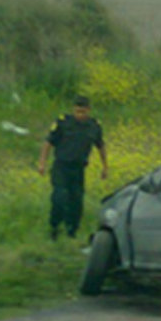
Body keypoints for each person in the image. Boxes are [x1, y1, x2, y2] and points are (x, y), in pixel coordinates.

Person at [37, 95, 108, 240]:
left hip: (79, 169)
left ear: (88, 110)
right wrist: (42, 163)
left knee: (76, 201)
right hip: (61, 167)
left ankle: (71, 231)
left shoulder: (94, 126)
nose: (80, 115)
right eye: (77, 111)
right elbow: (48, 143)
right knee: (59, 197)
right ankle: (55, 227)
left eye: (83, 112)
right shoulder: (63, 123)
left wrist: (105, 166)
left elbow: (100, 146)